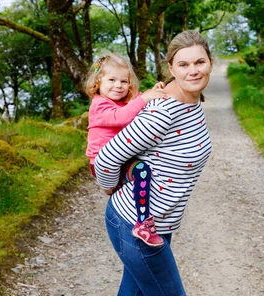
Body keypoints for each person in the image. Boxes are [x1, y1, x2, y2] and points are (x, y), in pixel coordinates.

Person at [95, 30, 213, 296]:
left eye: (199, 62)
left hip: (159, 224)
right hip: (134, 225)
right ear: (171, 68)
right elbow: (106, 158)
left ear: (210, 63)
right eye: (183, 64)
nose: (193, 71)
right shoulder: (164, 112)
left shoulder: (191, 102)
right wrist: (110, 187)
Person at [85, 53, 166, 246]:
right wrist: (144, 98)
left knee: (147, 169)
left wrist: (153, 92)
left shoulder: (122, 101)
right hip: (102, 162)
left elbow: (138, 102)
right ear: (98, 82)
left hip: (121, 159)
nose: (118, 85)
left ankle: (131, 203)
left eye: (124, 81)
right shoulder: (99, 105)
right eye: (112, 80)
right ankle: (143, 224)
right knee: (141, 170)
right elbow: (120, 117)